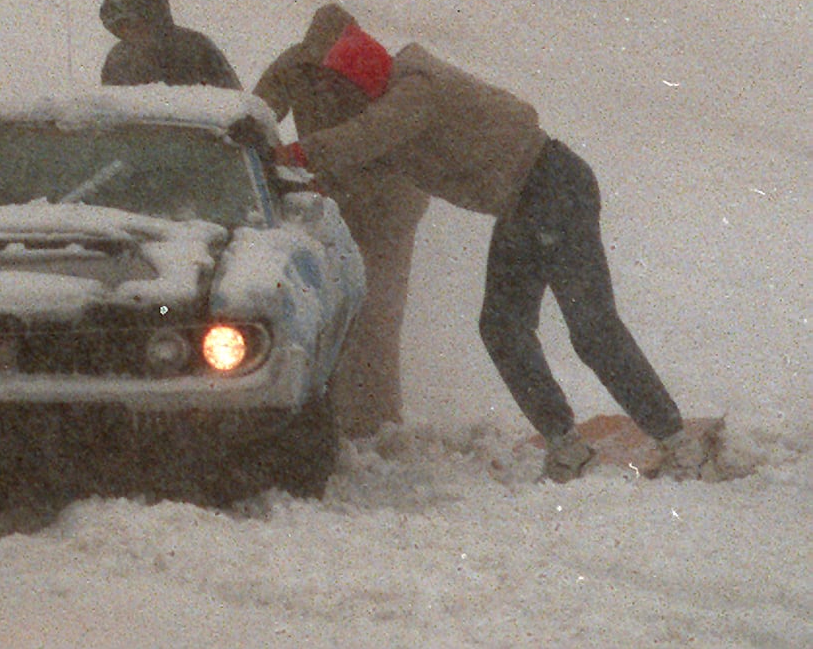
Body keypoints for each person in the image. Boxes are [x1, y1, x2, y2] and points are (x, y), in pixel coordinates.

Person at [275, 24, 713, 482]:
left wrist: (296, 153)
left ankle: (679, 445)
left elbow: (367, 135)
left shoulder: (414, 90)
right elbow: (356, 163)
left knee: (592, 330)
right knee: (502, 328)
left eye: (341, 92)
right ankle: (567, 447)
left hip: (552, 185)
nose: (335, 106)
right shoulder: (391, 114)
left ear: (361, 80)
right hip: (519, 205)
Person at [254, 4, 429, 439]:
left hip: (389, 208)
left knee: (380, 316)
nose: (323, 77)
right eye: (316, 67)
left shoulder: (371, 73)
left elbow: (376, 142)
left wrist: (312, 163)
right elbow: (259, 114)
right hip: (334, 206)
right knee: (335, 312)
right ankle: (338, 418)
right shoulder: (293, 65)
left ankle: (380, 422)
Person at [97, 0, 241, 89]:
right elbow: (113, 114)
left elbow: (232, 109)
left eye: (135, 22)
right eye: (121, 25)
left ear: (152, 16)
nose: (129, 31)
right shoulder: (119, 61)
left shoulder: (197, 50)